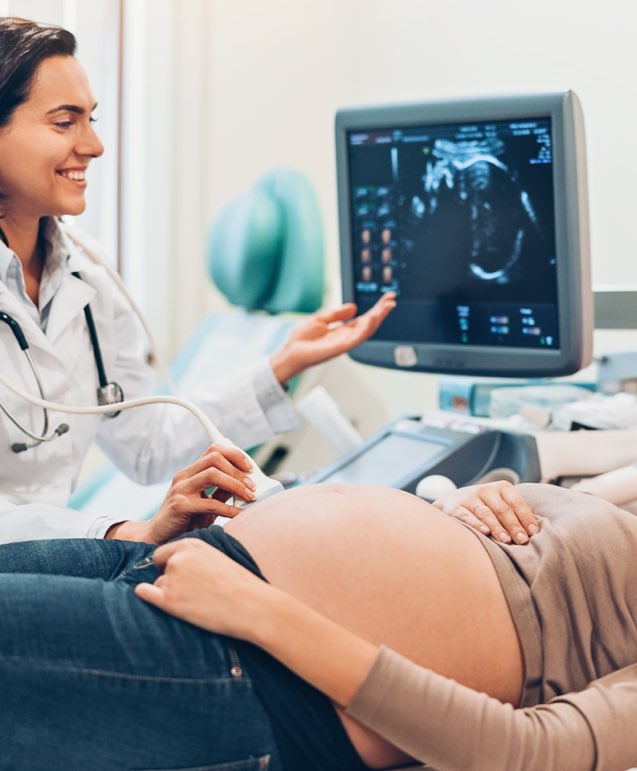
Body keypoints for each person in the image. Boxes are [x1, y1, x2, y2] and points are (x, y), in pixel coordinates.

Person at [0, 16, 395, 544]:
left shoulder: (86, 273)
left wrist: (285, 364)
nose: (94, 145)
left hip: (52, 556)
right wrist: (123, 532)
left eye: (92, 120)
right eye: (64, 122)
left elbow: (144, 447)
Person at [0, 477, 635, 770]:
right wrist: (466, 494)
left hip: (250, 665)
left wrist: (262, 613)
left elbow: (525, 752)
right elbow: (535, 517)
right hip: (201, 564)